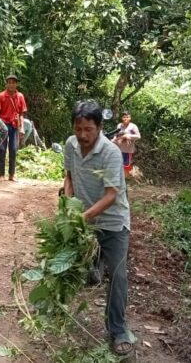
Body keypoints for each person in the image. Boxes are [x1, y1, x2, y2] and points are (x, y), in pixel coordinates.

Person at [63, 100, 133, 356]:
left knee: (118, 276)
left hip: (113, 223)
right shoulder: (71, 145)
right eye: (78, 128)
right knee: (72, 260)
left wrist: (83, 216)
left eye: (88, 130)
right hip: (84, 217)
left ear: (99, 127)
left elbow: (111, 195)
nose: (82, 135)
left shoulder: (110, 153)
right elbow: (69, 177)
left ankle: (118, 330)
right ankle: (93, 267)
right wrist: (68, 203)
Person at [0, 74, 27, 182]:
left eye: (13, 82)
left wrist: (22, 127)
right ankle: (1, 174)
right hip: (3, 125)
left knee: (13, 149)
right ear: (6, 84)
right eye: (9, 82)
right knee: (2, 149)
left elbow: (21, 114)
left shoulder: (20, 96)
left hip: (14, 125)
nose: (11, 84)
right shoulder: (1, 96)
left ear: (16, 84)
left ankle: (12, 174)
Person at [112, 111, 141, 176]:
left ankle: (126, 179)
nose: (125, 118)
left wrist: (129, 136)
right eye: (124, 117)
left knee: (126, 166)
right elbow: (116, 135)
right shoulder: (119, 125)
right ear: (122, 118)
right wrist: (113, 139)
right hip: (118, 149)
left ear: (130, 118)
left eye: (127, 117)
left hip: (127, 150)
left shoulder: (133, 126)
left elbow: (138, 136)